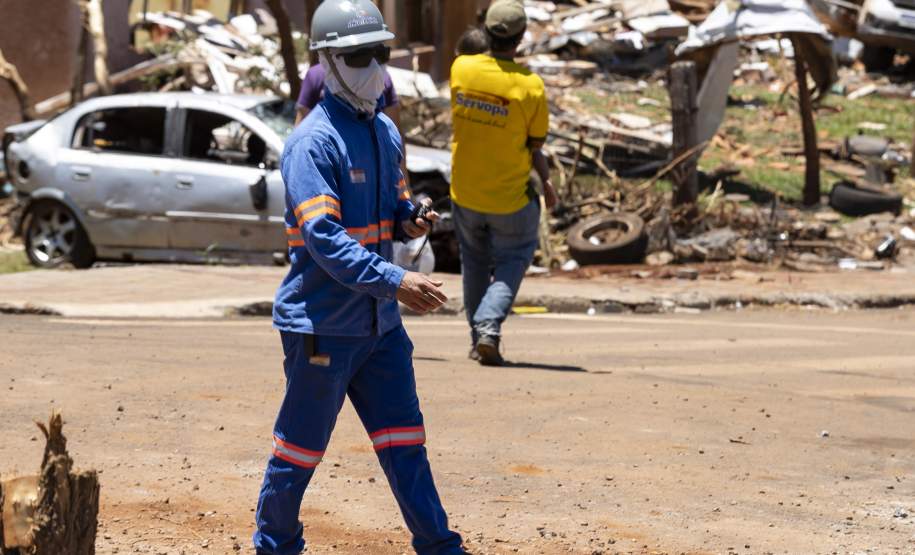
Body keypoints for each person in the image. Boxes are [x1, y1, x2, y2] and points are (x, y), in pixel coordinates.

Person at [253, 2, 465, 554]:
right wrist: (397, 280)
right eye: (358, 55)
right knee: (300, 449)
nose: (373, 66)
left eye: (380, 52)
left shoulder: (385, 131)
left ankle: (440, 546)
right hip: (323, 326)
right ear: (326, 62)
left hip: (380, 328)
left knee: (405, 444)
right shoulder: (312, 143)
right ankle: (275, 545)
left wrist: (409, 217)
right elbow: (324, 238)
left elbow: (391, 208)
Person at [449, 0, 558, 366]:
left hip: (465, 192)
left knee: (474, 264)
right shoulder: (530, 86)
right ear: (521, 37)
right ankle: (488, 325)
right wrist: (547, 182)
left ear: (487, 31)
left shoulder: (462, 69)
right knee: (514, 256)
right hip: (509, 198)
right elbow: (535, 145)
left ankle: (477, 338)